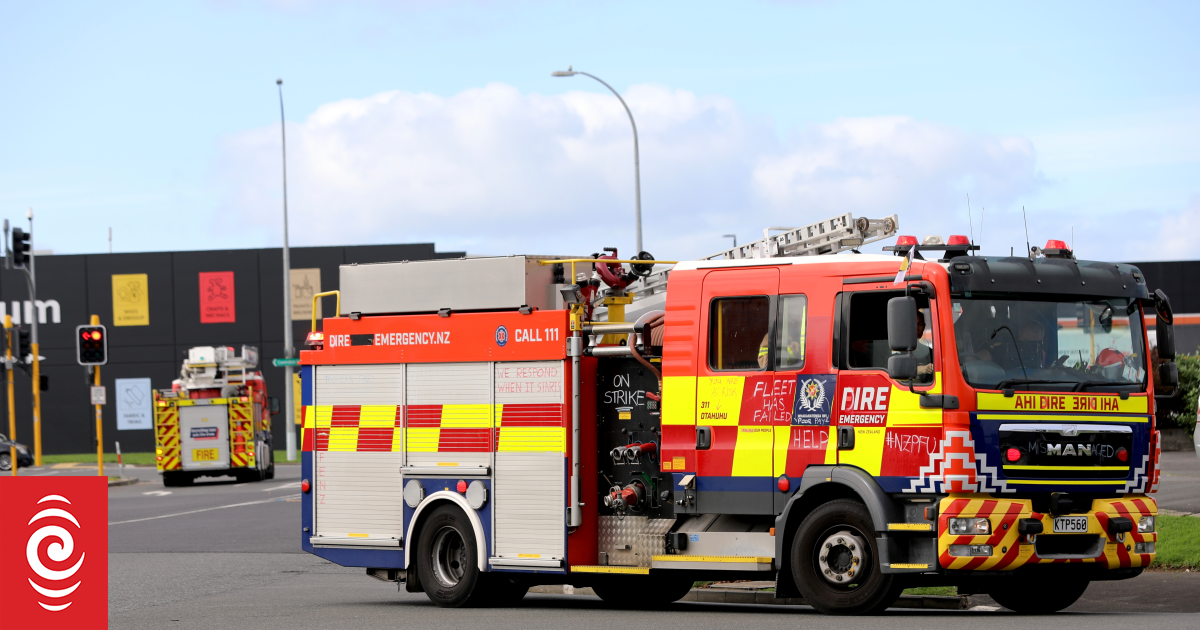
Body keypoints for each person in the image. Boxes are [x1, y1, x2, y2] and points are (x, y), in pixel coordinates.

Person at [913, 311, 934, 379]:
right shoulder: (895, 349)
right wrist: (923, 369)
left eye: (920, 324)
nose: (916, 327)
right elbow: (895, 370)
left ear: (924, 327)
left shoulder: (930, 352)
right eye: (913, 323)